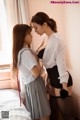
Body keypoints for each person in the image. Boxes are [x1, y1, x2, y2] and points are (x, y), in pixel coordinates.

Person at [31, 12, 75, 120]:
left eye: (36, 28)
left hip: (61, 80)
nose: (35, 31)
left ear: (44, 24)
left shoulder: (57, 40)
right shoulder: (45, 38)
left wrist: (64, 86)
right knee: (55, 113)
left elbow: (61, 64)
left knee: (66, 115)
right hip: (52, 80)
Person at [12, 24, 51, 120]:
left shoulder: (22, 51)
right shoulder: (25, 53)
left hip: (31, 86)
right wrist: (41, 62)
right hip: (35, 86)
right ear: (23, 36)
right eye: (29, 34)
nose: (32, 36)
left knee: (40, 114)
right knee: (44, 115)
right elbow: (36, 73)